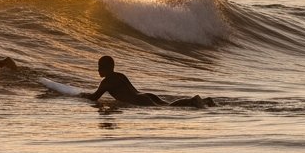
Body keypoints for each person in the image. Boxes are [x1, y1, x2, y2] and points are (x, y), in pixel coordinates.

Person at [83, 55, 213, 107]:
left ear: (107, 68)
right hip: (146, 95)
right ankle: (206, 101)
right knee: (167, 105)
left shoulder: (106, 82)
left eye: (100, 67)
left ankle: (193, 100)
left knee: (169, 108)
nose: (98, 70)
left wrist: (80, 96)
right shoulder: (120, 75)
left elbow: (94, 98)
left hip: (141, 100)